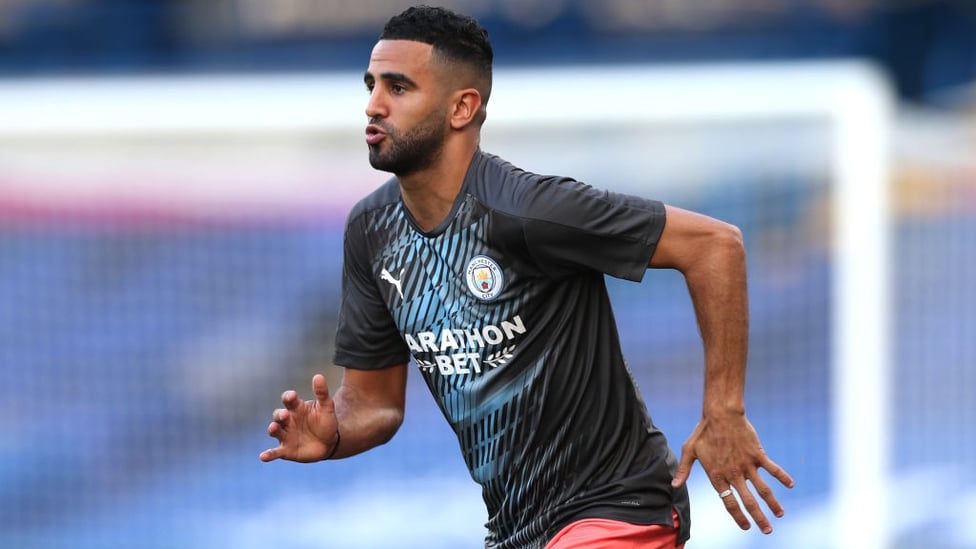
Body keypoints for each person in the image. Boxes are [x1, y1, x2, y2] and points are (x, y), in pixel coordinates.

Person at [260, 5, 794, 548]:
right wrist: (334, 435)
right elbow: (375, 402)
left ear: (462, 107)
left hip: (617, 508)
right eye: (371, 85)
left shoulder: (528, 210)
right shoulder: (371, 231)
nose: (373, 105)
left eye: (398, 88)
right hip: (516, 531)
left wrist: (724, 410)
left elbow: (715, 245)